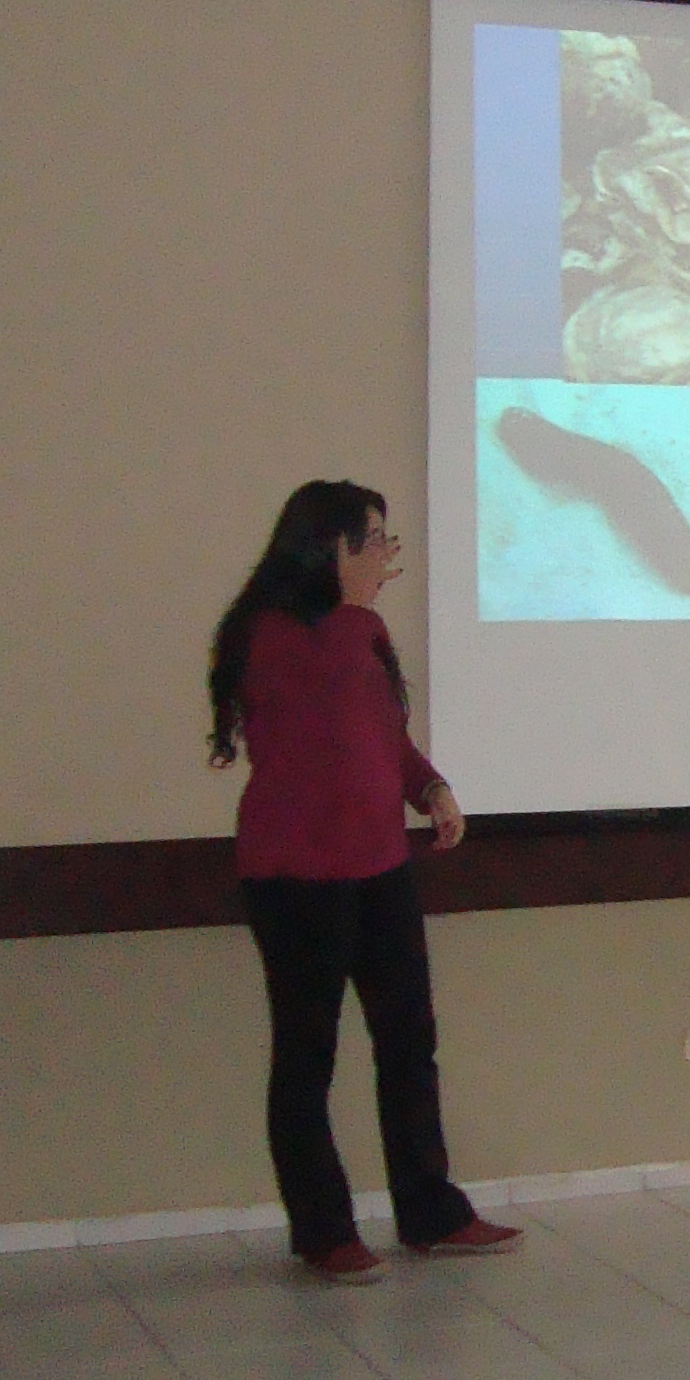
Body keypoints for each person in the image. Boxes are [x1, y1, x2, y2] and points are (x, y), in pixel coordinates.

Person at [206, 480, 518, 1282]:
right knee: (307, 1055)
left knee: (410, 1042)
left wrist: (430, 788)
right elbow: (321, 731)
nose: (388, 557)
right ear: (331, 548)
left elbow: (382, 739)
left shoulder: (363, 630)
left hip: (379, 868)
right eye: (376, 541)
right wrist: (349, 619)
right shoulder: (272, 635)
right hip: (296, 878)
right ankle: (324, 1231)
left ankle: (431, 1212)